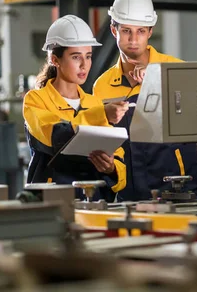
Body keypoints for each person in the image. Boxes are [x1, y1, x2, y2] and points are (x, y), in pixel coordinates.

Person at [93, 0, 197, 201]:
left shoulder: (176, 69)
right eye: (126, 31)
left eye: (141, 31)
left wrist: (157, 81)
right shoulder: (102, 86)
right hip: (129, 196)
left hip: (178, 192)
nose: (133, 39)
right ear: (114, 30)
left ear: (150, 32)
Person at [23, 14, 129, 202]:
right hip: (51, 203)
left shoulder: (93, 103)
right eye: (75, 57)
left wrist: (111, 168)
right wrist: (101, 114)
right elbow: (57, 137)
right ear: (55, 60)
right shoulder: (36, 100)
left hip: (93, 202)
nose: (84, 65)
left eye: (88, 57)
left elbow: (119, 161)